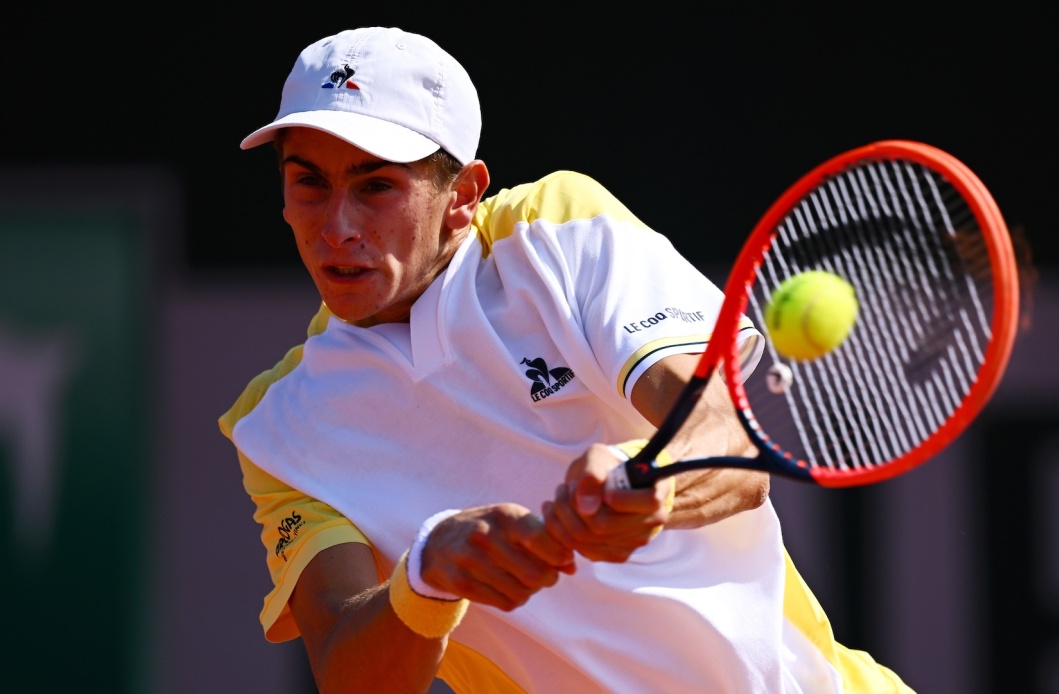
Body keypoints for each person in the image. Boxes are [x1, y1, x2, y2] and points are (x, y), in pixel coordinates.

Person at [219, 25, 913, 693]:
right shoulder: (277, 425)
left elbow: (726, 440)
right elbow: (349, 675)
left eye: (375, 187)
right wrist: (424, 579)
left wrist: (650, 483)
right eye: (309, 183)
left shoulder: (553, 229)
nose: (336, 227)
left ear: (461, 197)